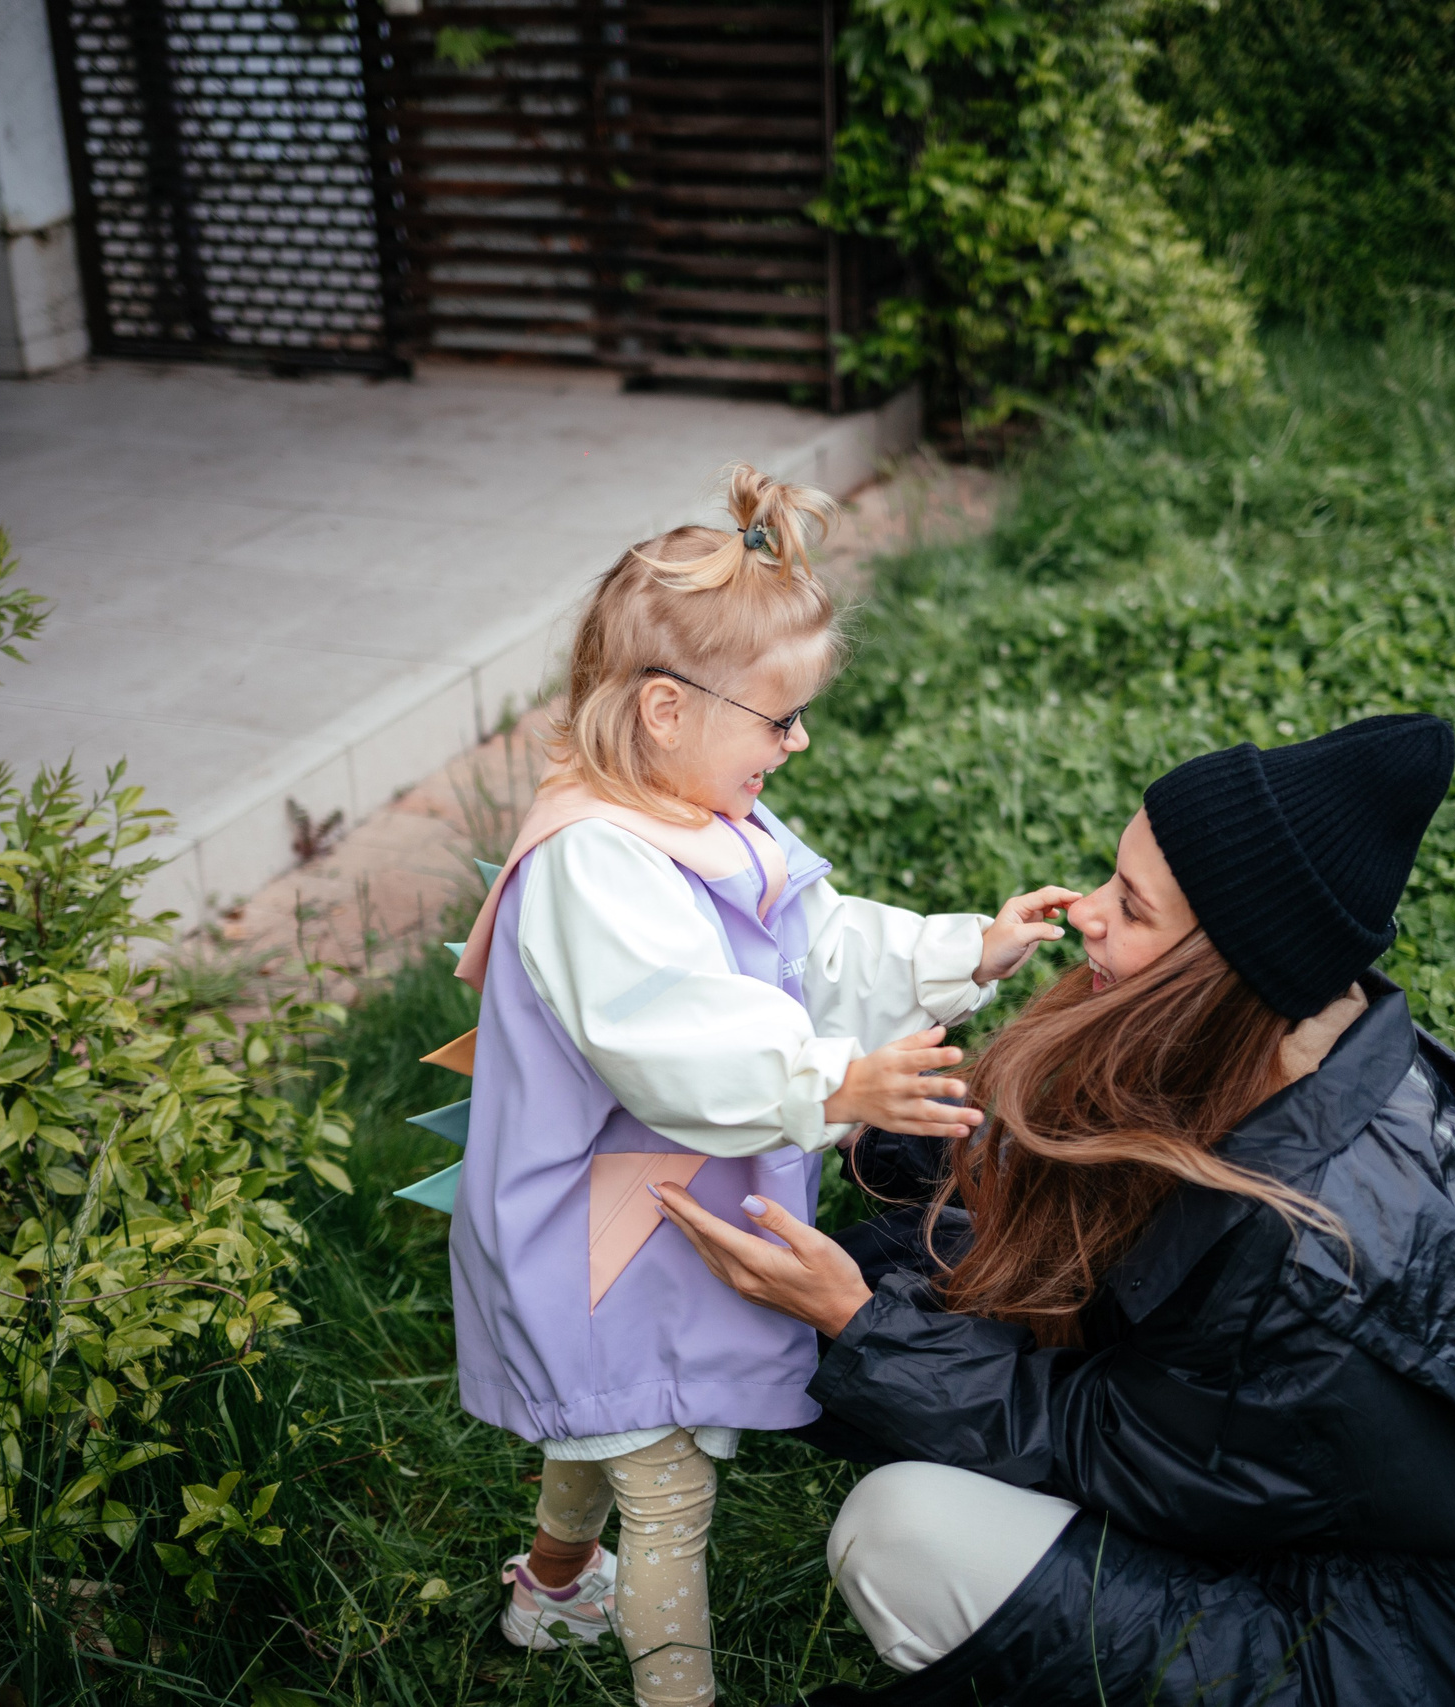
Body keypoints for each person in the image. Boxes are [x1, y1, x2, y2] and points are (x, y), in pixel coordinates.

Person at [655, 715, 1455, 1707]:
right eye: (1112, 881)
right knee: (960, 1256)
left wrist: (858, 1324)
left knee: (901, 1529)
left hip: (1368, 1660)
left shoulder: (1306, 1262)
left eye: (1133, 906)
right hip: (1277, 1516)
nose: (1088, 916)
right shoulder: (1296, 1035)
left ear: (1231, 961)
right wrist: (887, 1129)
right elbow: (1081, 1185)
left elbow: (1094, 1437)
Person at [444, 462, 1077, 1707]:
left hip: (653, 1209)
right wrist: (838, 1083)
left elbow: (818, 943)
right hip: (597, 1232)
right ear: (669, 711)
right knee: (664, 1484)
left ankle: (551, 1588)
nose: (797, 743)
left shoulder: (707, 818)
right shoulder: (595, 868)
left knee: (606, 1429)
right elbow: (670, 1042)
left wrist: (963, 950)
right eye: (778, 720)